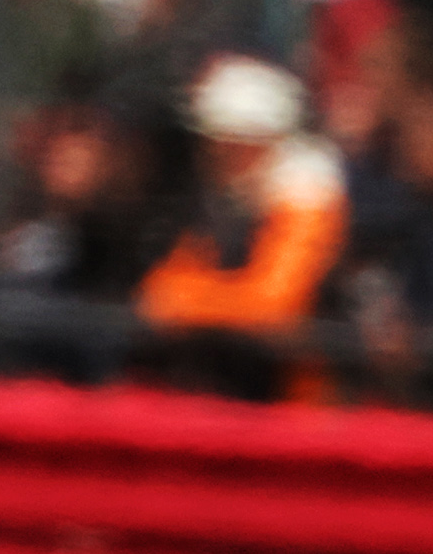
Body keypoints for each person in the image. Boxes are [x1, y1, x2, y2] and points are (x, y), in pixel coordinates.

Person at [133, 53, 346, 393]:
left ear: (251, 142)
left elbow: (275, 304)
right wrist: (181, 295)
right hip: (227, 387)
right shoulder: (227, 197)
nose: (210, 152)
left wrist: (187, 301)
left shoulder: (309, 197)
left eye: (220, 141)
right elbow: (169, 282)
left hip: (296, 405)